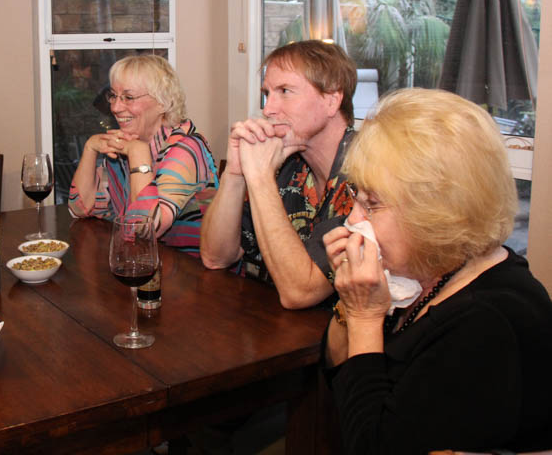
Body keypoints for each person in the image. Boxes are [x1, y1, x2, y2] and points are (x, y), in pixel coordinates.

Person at [323, 88, 552, 454]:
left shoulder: (486, 322)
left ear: (433, 212)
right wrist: (349, 304)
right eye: (357, 198)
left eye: (373, 204)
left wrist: (365, 317)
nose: (353, 219)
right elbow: (338, 372)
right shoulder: (424, 272)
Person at [200, 40, 357, 309]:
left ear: (332, 100)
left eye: (285, 91)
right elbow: (216, 256)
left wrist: (260, 176)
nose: (268, 109)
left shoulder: (368, 176)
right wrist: (236, 173)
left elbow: (300, 293)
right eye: (267, 93)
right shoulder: (289, 165)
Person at [68, 55, 219, 253]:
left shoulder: (186, 148)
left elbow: (146, 229)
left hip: (198, 274)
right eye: (113, 95)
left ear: (163, 103)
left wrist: (138, 153)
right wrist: (90, 148)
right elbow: (79, 208)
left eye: (128, 97)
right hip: (144, 261)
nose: (115, 107)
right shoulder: (126, 144)